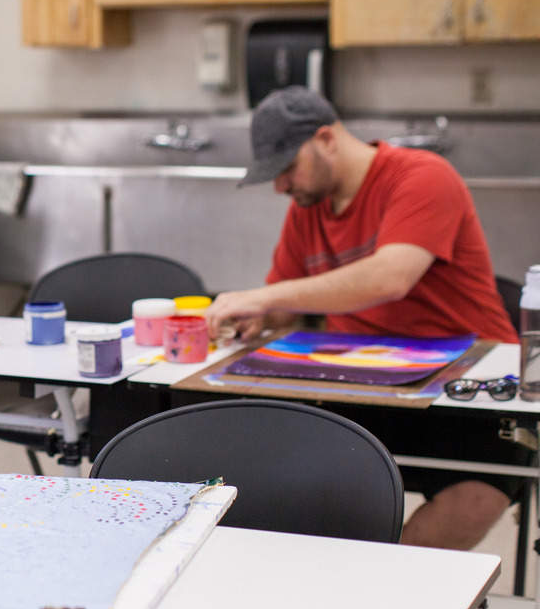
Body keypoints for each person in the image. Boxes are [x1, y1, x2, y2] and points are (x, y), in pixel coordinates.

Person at [204, 86, 521, 552]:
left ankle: (385, 602)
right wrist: (261, 317)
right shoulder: (307, 210)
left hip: (471, 389)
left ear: (327, 139)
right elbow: (288, 304)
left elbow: (390, 277)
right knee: (280, 477)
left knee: (470, 503)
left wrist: (260, 296)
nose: (280, 186)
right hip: (364, 387)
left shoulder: (423, 176)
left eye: (287, 168)